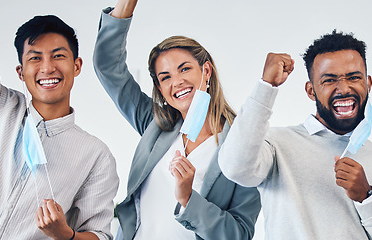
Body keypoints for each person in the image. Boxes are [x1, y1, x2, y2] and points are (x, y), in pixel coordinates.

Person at [218, 30, 372, 239]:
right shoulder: (277, 145)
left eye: (353, 77)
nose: (343, 89)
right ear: (311, 91)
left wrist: (367, 198)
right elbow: (235, 168)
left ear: (368, 84)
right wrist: (266, 87)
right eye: (329, 80)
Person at [0, 0, 118, 239]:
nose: (47, 67)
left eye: (58, 56)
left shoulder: (96, 156)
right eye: (35, 58)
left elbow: (100, 235)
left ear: (76, 66)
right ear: (20, 72)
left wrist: (65, 234)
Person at [92, 0, 261, 239]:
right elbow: (108, 66)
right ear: (160, 89)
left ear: (207, 71)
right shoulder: (156, 126)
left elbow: (239, 233)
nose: (177, 82)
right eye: (165, 77)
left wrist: (188, 199)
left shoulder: (243, 146)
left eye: (184, 69)